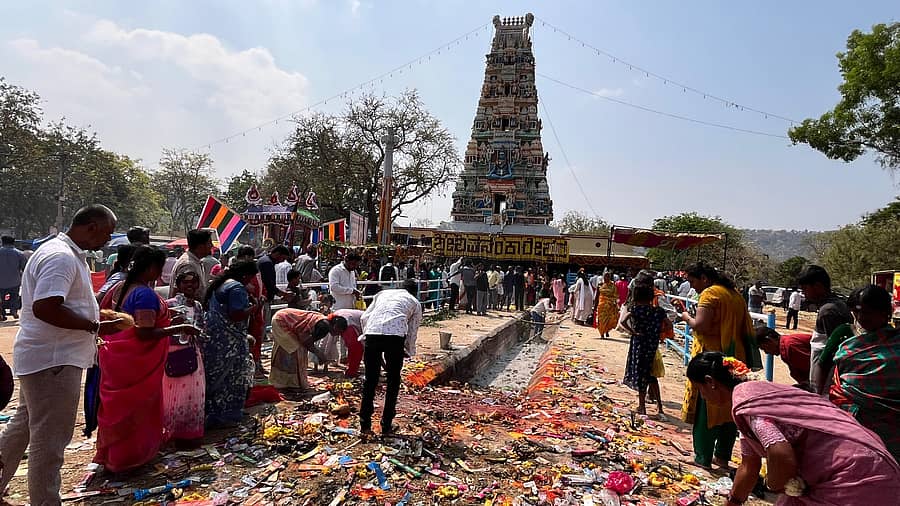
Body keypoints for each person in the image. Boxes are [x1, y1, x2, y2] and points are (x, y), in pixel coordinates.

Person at [0, 205, 119, 504]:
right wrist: (94, 325)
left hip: (44, 358)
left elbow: (58, 303)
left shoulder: (62, 253)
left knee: (23, 429)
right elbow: (46, 307)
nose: (107, 240)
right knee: (49, 442)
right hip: (53, 361)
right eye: (106, 233)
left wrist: (93, 316)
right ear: (91, 227)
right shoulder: (61, 257)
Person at [686, 351, 900, 505]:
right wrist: (733, 502)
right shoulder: (758, 398)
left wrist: (775, 484)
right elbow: (749, 466)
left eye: (700, 390)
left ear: (710, 382)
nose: (703, 398)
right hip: (870, 457)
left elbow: (780, 453)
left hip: (852, 473)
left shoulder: (748, 404)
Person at [94, 246, 199, 472]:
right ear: (152, 268)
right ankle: (130, 459)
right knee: (137, 408)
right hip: (136, 362)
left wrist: (168, 318)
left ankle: (114, 457)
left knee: (117, 409)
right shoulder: (144, 294)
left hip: (116, 356)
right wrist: (179, 328)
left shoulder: (120, 286)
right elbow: (143, 331)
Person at [674, 261, 753, 469]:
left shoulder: (710, 294)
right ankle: (722, 457)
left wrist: (685, 317)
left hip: (711, 361)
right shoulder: (735, 295)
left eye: (692, 281)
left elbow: (700, 325)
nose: (692, 287)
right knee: (730, 408)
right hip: (734, 359)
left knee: (707, 406)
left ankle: (703, 457)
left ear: (704, 278)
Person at [829, 284, 900, 461]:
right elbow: (838, 389)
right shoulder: (848, 347)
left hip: (893, 431)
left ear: (885, 312)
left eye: (868, 312)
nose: (861, 317)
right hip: (857, 430)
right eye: (857, 311)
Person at [359, 280, 422, 436]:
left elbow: (364, 317)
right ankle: (386, 425)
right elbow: (412, 331)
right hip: (394, 338)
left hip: (372, 333)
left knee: (370, 380)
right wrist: (408, 350)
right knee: (393, 380)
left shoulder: (382, 294)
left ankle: (365, 425)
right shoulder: (414, 302)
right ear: (414, 292)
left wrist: (366, 336)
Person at [202, 260, 258, 428]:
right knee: (233, 375)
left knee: (216, 374)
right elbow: (236, 315)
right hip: (229, 340)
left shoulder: (225, 284)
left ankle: (213, 413)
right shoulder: (237, 288)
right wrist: (255, 307)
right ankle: (226, 415)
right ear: (246, 275)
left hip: (216, 338)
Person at [165, 271, 207, 447]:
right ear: (178, 285)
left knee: (193, 394)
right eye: (186, 282)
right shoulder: (170, 305)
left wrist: (195, 333)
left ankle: (190, 432)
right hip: (174, 351)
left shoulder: (197, 305)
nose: (190, 286)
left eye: (193, 282)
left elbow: (203, 329)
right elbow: (162, 329)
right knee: (175, 396)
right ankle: (173, 432)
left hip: (192, 350)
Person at [798, 265, 851, 394]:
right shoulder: (837, 304)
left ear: (817, 286)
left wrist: (819, 387)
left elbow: (833, 351)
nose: (804, 293)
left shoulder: (828, 311)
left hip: (826, 381)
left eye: (805, 289)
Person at [620, 284, 667, 416]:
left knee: (641, 375)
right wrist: (657, 332)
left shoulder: (635, 309)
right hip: (652, 345)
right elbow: (668, 325)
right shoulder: (658, 311)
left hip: (639, 344)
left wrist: (633, 332)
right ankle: (660, 406)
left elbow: (623, 321)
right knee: (652, 375)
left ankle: (642, 406)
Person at [269, 308, 337, 390]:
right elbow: (306, 342)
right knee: (297, 349)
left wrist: (318, 354)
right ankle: (286, 382)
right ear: (335, 326)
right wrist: (319, 354)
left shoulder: (324, 324)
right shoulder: (323, 326)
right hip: (281, 321)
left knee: (296, 349)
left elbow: (308, 341)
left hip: (285, 320)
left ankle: (291, 381)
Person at [235, 246, 268, 377]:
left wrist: (263, 296)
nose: (249, 259)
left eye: (250, 256)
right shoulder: (236, 273)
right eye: (246, 256)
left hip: (257, 311)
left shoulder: (256, 272)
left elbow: (262, 287)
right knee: (246, 339)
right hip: (244, 312)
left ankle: (257, 363)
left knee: (257, 337)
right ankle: (247, 367)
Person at [169, 229, 213, 298]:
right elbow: (180, 292)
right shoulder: (189, 265)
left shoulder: (196, 262)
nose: (211, 246)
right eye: (209, 243)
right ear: (200, 246)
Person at [331, 309, 365, 377]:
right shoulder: (345, 325)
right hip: (346, 318)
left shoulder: (348, 326)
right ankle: (352, 371)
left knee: (355, 348)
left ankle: (351, 370)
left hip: (346, 317)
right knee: (354, 348)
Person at [0, 235, 27, 320]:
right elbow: (24, 268)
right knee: (14, 297)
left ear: (2, 242)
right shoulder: (19, 253)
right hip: (14, 281)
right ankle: (14, 310)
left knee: (1, 298)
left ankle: (2, 313)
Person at [594, 272, 618, 338]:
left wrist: (615, 302)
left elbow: (615, 294)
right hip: (602, 305)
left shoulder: (613, 285)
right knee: (601, 319)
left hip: (610, 305)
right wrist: (595, 305)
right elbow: (597, 295)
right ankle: (602, 333)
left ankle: (607, 331)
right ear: (603, 277)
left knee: (610, 319)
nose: (607, 278)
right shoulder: (600, 284)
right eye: (605, 276)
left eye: (608, 276)